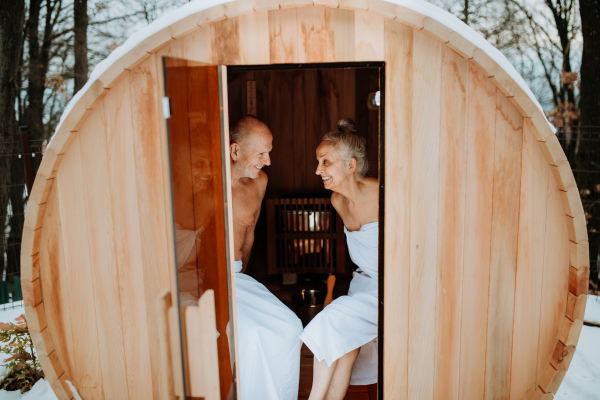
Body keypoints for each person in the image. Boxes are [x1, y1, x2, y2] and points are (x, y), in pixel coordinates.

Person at [300, 118, 379, 400]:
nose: (317, 170)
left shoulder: (382, 194)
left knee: (331, 320)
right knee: (344, 350)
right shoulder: (336, 200)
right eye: (318, 162)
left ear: (351, 165)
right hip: (363, 286)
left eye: (325, 162)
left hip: (388, 290)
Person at [228, 116, 304, 400]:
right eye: (261, 153)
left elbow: (249, 237)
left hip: (237, 277)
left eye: (268, 151)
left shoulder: (259, 182)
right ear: (235, 151)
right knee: (249, 336)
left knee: (290, 327)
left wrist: (241, 274)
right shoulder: (204, 184)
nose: (268, 161)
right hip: (206, 278)